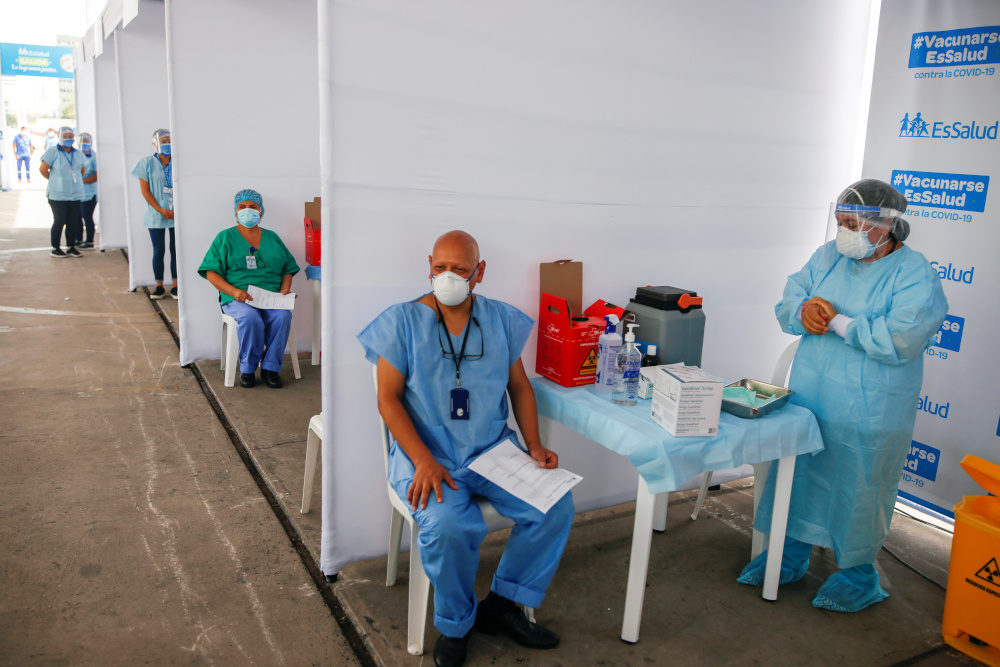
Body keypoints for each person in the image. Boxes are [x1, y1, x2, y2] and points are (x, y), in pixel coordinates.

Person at [358, 231, 574, 667]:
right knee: (450, 526)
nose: (449, 277)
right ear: (429, 265)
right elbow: (387, 399)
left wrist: (534, 446)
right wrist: (422, 461)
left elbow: (518, 385)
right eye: (440, 267)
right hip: (429, 454)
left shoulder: (499, 321)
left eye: (460, 269)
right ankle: (455, 624)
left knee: (555, 504)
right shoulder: (400, 322)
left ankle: (503, 603)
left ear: (480, 272)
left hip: (491, 448)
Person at [738, 180, 948, 613]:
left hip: (873, 405)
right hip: (815, 392)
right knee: (802, 471)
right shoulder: (828, 257)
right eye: (839, 223)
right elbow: (792, 296)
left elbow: (900, 338)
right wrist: (803, 311)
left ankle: (857, 574)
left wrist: (837, 322)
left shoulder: (915, 275)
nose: (843, 233)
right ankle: (788, 553)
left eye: (852, 224)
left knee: (859, 484)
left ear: (885, 225)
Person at [198, 189, 299, 389]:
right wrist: (235, 292)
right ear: (236, 212)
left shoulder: (272, 238)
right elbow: (211, 272)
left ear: (261, 211)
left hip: (270, 297)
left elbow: (288, 267)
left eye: (253, 207)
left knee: (283, 317)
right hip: (237, 298)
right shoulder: (224, 238)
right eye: (242, 207)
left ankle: (271, 368)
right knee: (250, 318)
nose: (247, 211)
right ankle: (248, 368)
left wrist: (285, 288)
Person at [131, 129, 176, 299]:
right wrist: (159, 209)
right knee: (159, 250)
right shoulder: (146, 163)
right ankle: (158, 285)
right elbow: (145, 190)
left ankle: (175, 285)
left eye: (169, 140)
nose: (167, 144)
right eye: (163, 141)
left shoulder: (178, 162)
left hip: (175, 214)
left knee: (175, 250)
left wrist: (175, 210)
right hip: (156, 214)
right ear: (155, 143)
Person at [38, 126, 86, 258]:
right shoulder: (52, 152)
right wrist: (54, 180)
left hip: (74, 194)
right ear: (59, 137)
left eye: (70, 137)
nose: (68, 139)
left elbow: (81, 170)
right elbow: (43, 169)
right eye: (65, 136)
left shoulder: (78, 154)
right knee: (60, 220)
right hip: (57, 195)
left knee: (73, 221)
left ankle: (71, 247)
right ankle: (55, 247)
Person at [77, 133, 98, 250]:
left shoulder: (94, 157)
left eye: (87, 141)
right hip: (77, 193)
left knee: (87, 216)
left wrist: (81, 181)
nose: (84, 143)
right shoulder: (76, 155)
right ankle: (78, 239)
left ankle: (89, 241)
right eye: (82, 140)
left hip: (90, 193)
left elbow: (97, 176)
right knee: (77, 216)